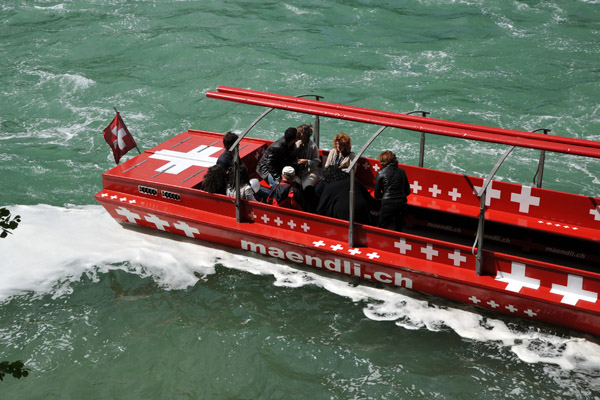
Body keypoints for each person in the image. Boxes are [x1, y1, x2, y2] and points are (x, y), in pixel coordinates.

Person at [374, 150, 410, 232]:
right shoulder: (402, 171)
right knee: (399, 228)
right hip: (401, 203)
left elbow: (376, 195)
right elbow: (407, 191)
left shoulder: (380, 173)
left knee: (382, 227)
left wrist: (385, 196)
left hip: (387, 204)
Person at [293, 124, 321, 189]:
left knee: (307, 187)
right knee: (295, 185)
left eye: (300, 133)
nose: (298, 135)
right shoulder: (296, 143)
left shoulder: (313, 146)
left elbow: (317, 162)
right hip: (298, 171)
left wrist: (306, 161)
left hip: (310, 172)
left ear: (305, 135)